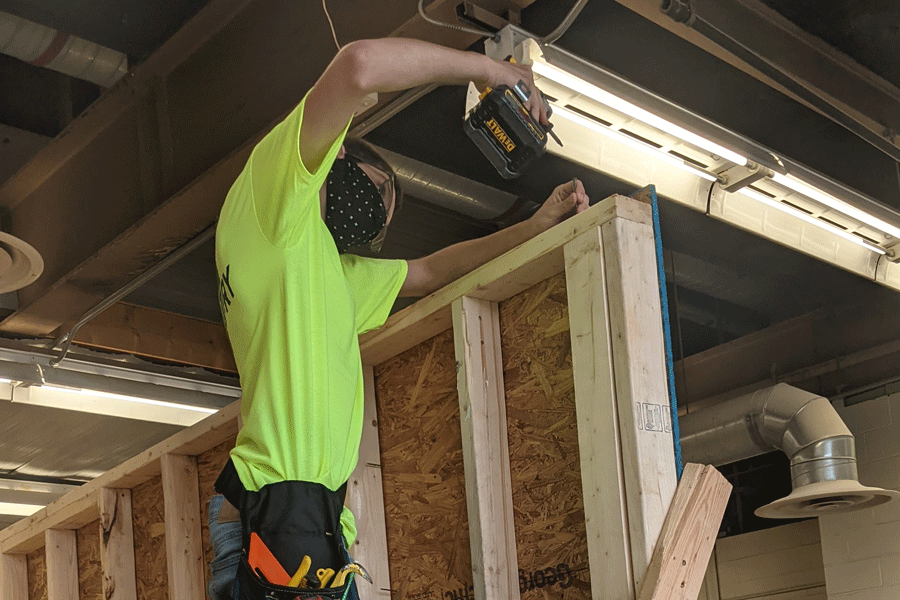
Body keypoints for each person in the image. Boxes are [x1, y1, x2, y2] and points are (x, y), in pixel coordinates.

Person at [209, 37, 589, 600]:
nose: (379, 220)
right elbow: (359, 66)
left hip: (311, 514)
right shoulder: (275, 200)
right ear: (338, 154)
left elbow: (431, 272)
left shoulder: (323, 271)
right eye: (379, 195)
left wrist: (536, 226)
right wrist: (490, 71)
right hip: (280, 502)